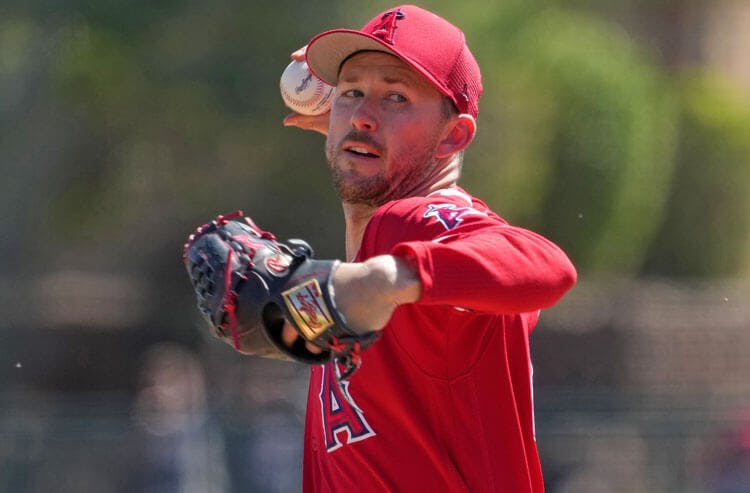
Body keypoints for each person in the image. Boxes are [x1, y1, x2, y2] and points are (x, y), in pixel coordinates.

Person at [278, 5, 577, 492]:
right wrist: (281, 319)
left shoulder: (412, 226)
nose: (364, 116)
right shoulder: (388, 257)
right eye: (352, 92)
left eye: (396, 96)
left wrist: (387, 279)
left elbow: (548, 266)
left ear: (453, 136)